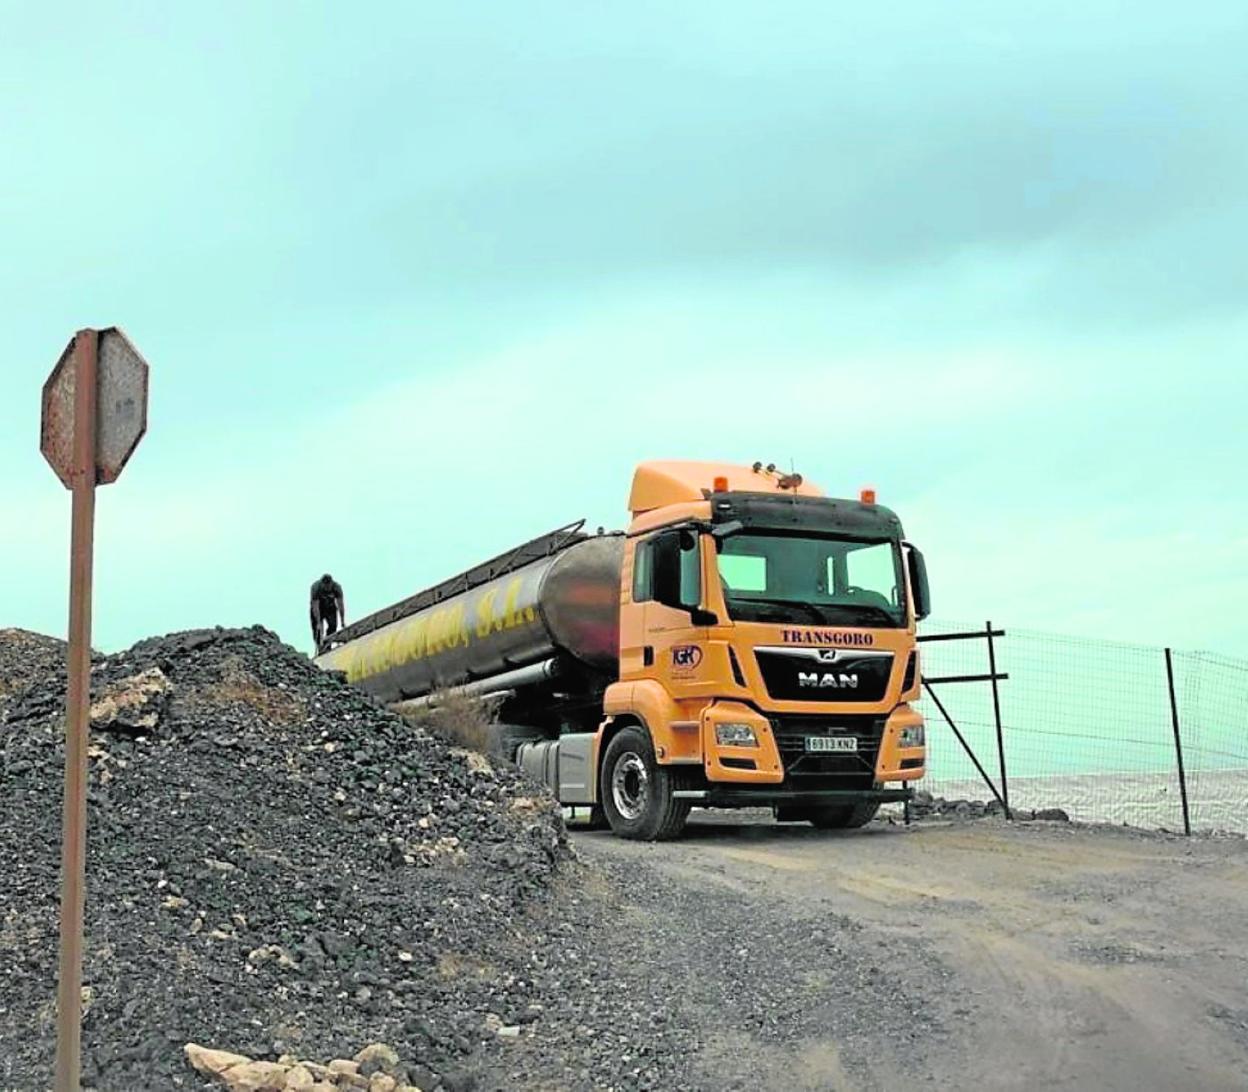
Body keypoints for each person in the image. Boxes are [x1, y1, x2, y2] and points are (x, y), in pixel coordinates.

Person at [310, 573, 345, 650]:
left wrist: (342, 621)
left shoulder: (337, 587)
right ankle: (320, 647)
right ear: (322, 584)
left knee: (333, 625)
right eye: (325, 586)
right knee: (317, 629)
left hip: (330, 607)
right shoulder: (316, 588)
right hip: (318, 607)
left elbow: (340, 604)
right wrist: (318, 622)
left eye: (329, 586)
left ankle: (328, 645)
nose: (327, 588)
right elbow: (315, 606)